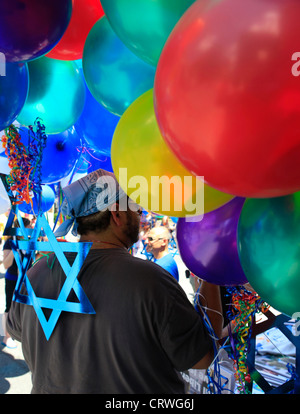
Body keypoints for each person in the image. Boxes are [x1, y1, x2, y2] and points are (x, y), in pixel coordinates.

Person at [7, 169, 222, 394]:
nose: (140, 216)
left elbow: (15, 330)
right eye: (136, 208)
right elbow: (203, 358)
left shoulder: (36, 272)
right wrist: (211, 272)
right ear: (116, 214)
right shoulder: (152, 281)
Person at [2, 217, 31, 348]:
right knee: (10, 307)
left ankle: (21, 333)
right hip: (13, 279)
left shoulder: (30, 242)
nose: (31, 229)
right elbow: (6, 265)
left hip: (26, 281)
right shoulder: (9, 243)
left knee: (24, 308)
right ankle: (7, 337)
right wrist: (15, 249)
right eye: (28, 227)